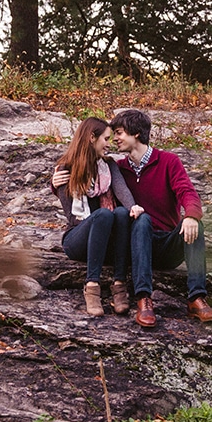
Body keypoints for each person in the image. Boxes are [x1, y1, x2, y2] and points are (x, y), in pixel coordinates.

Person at [109, 109, 212, 327]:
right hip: (136, 247)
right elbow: (87, 183)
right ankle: (144, 299)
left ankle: (196, 298)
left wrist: (191, 216)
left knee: (196, 224)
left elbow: (187, 192)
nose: (115, 139)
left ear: (136, 134)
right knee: (142, 220)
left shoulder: (168, 161)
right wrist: (57, 183)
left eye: (119, 133)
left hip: (166, 245)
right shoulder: (117, 169)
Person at [51, 117, 145, 316]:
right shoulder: (65, 170)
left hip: (104, 240)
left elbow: (122, 190)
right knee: (103, 215)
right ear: (92, 138)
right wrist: (55, 186)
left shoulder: (109, 166)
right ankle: (92, 286)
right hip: (77, 238)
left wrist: (133, 207)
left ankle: (119, 284)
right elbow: (72, 217)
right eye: (106, 139)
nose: (109, 144)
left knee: (120, 212)